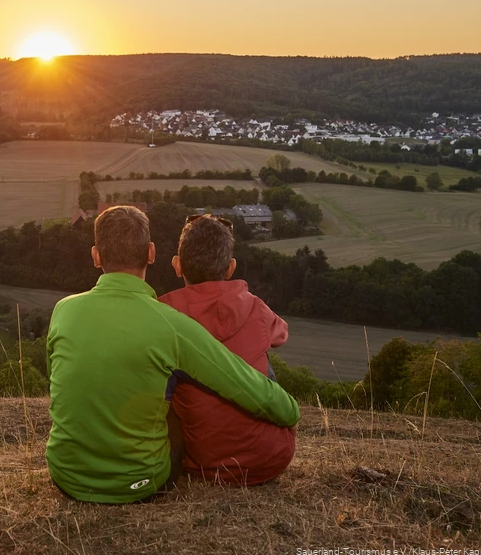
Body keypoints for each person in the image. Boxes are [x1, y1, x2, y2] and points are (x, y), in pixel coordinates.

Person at [45, 206, 300, 504]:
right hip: (143, 483)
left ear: (96, 256)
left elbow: (60, 382)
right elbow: (243, 383)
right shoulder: (172, 324)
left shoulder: (63, 310)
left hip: (64, 476)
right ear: (151, 253)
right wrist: (290, 413)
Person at [158, 214, 296, 487]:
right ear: (231, 268)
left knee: (163, 374)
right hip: (271, 459)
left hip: (203, 464)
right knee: (261, 353)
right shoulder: (255, 306)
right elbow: (281, 334)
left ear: (177, 265)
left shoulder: (162, 316)